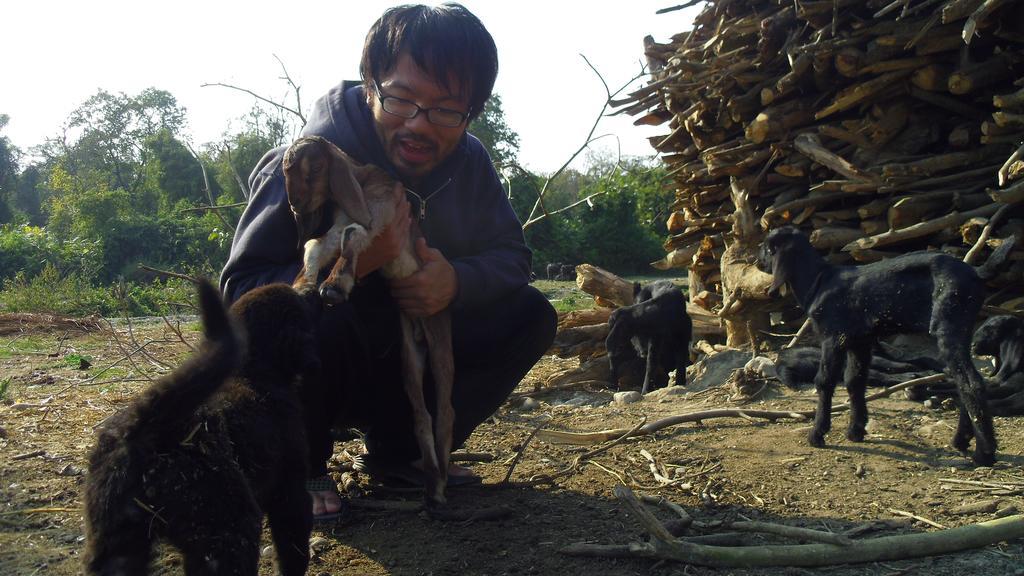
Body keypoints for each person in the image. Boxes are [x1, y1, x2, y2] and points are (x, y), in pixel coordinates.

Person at [219, 3, 557, 520]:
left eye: (446, 110)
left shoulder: (469, 165)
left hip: (407, 358)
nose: (419, 125)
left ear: (473, 112)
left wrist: (455, 281)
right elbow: (238, 293)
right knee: (318, 313)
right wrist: (358, 266)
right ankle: (299, 463)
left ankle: (403, 452)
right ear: (370, 83)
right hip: (322, 368)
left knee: (531, 315)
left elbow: (513, 257)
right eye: (401, 99)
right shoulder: (311, 163)